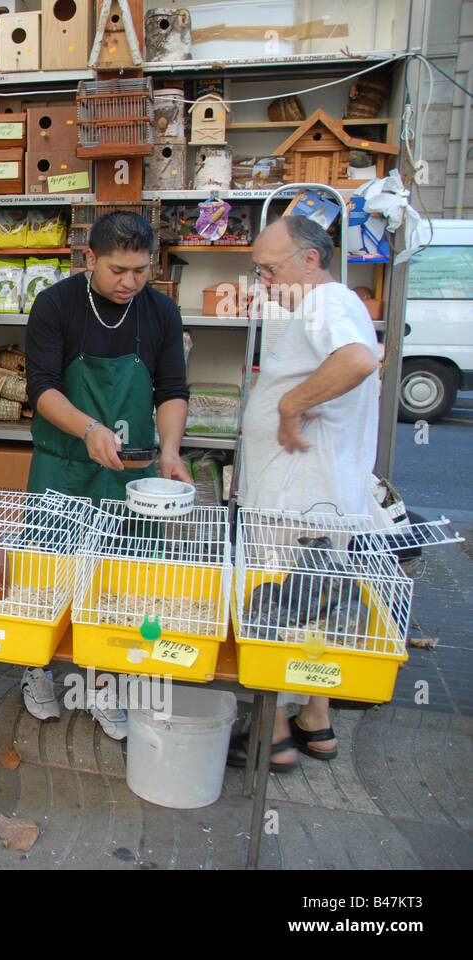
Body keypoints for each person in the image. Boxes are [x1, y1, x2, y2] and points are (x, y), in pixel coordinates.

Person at [20, 211, 192, 739]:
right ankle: (37, 667)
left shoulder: (161, 311)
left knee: (117, 582)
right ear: (90, 258)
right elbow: (43, 387)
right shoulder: (56, 305)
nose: (130, 282)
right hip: (63, 466)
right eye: (118, 270)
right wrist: (89, 427)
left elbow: (172, 389)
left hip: (129, 475)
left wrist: (169, 451)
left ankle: (100, 681)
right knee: (48, 575)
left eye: (141, 270)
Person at [230, 214, 389, 771]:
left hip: (295, 498)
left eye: (270, 270)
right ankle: (315, 720)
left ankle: (272, 732)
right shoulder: (324, 305)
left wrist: (290, 404)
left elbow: (358, 361)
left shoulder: (326, 302)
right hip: (319, 496)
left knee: (274, 607)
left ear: (311, 260)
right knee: (316, 608)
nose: (264, 283)